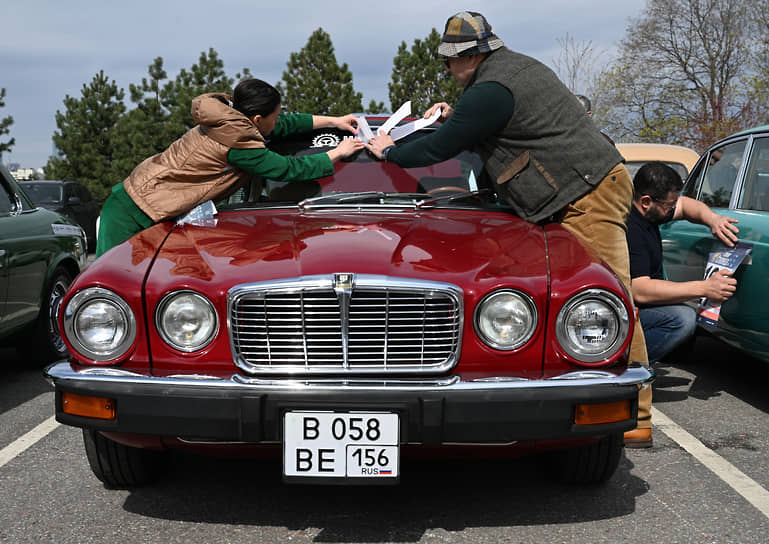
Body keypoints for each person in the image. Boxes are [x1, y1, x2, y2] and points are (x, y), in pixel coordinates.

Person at [365, 11, 651, 445]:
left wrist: (390, 152)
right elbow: (484, 124)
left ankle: (637, 414)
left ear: (468, 57)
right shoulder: (506, 75)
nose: (447, 70)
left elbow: (445, 145)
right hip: (578, 189)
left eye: (448, 63)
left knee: (607, 295)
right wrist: (454, 113)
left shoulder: (491, 90)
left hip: (587, 190)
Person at [95, 78, 364, 257]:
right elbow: (287, 169)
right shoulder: (238, 141)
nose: (279, 119)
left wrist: (334, 120)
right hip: (133, 211)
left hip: (148, 205)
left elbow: (284, 125)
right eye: (276, 114)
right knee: (113, 288)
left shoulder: (235, 120)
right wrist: (337, 153)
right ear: (257, 119)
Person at [628, 161, 739, 364]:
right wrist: (705, 288)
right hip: (624, 312)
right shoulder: (632, 230)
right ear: (646, 202)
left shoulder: (651, 212)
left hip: (638, 305)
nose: (672, 210)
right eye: (668, 206)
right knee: (682, 319)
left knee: (684, 330)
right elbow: (640, 290)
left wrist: (713, 219)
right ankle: (627, 367)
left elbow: (686, 205)